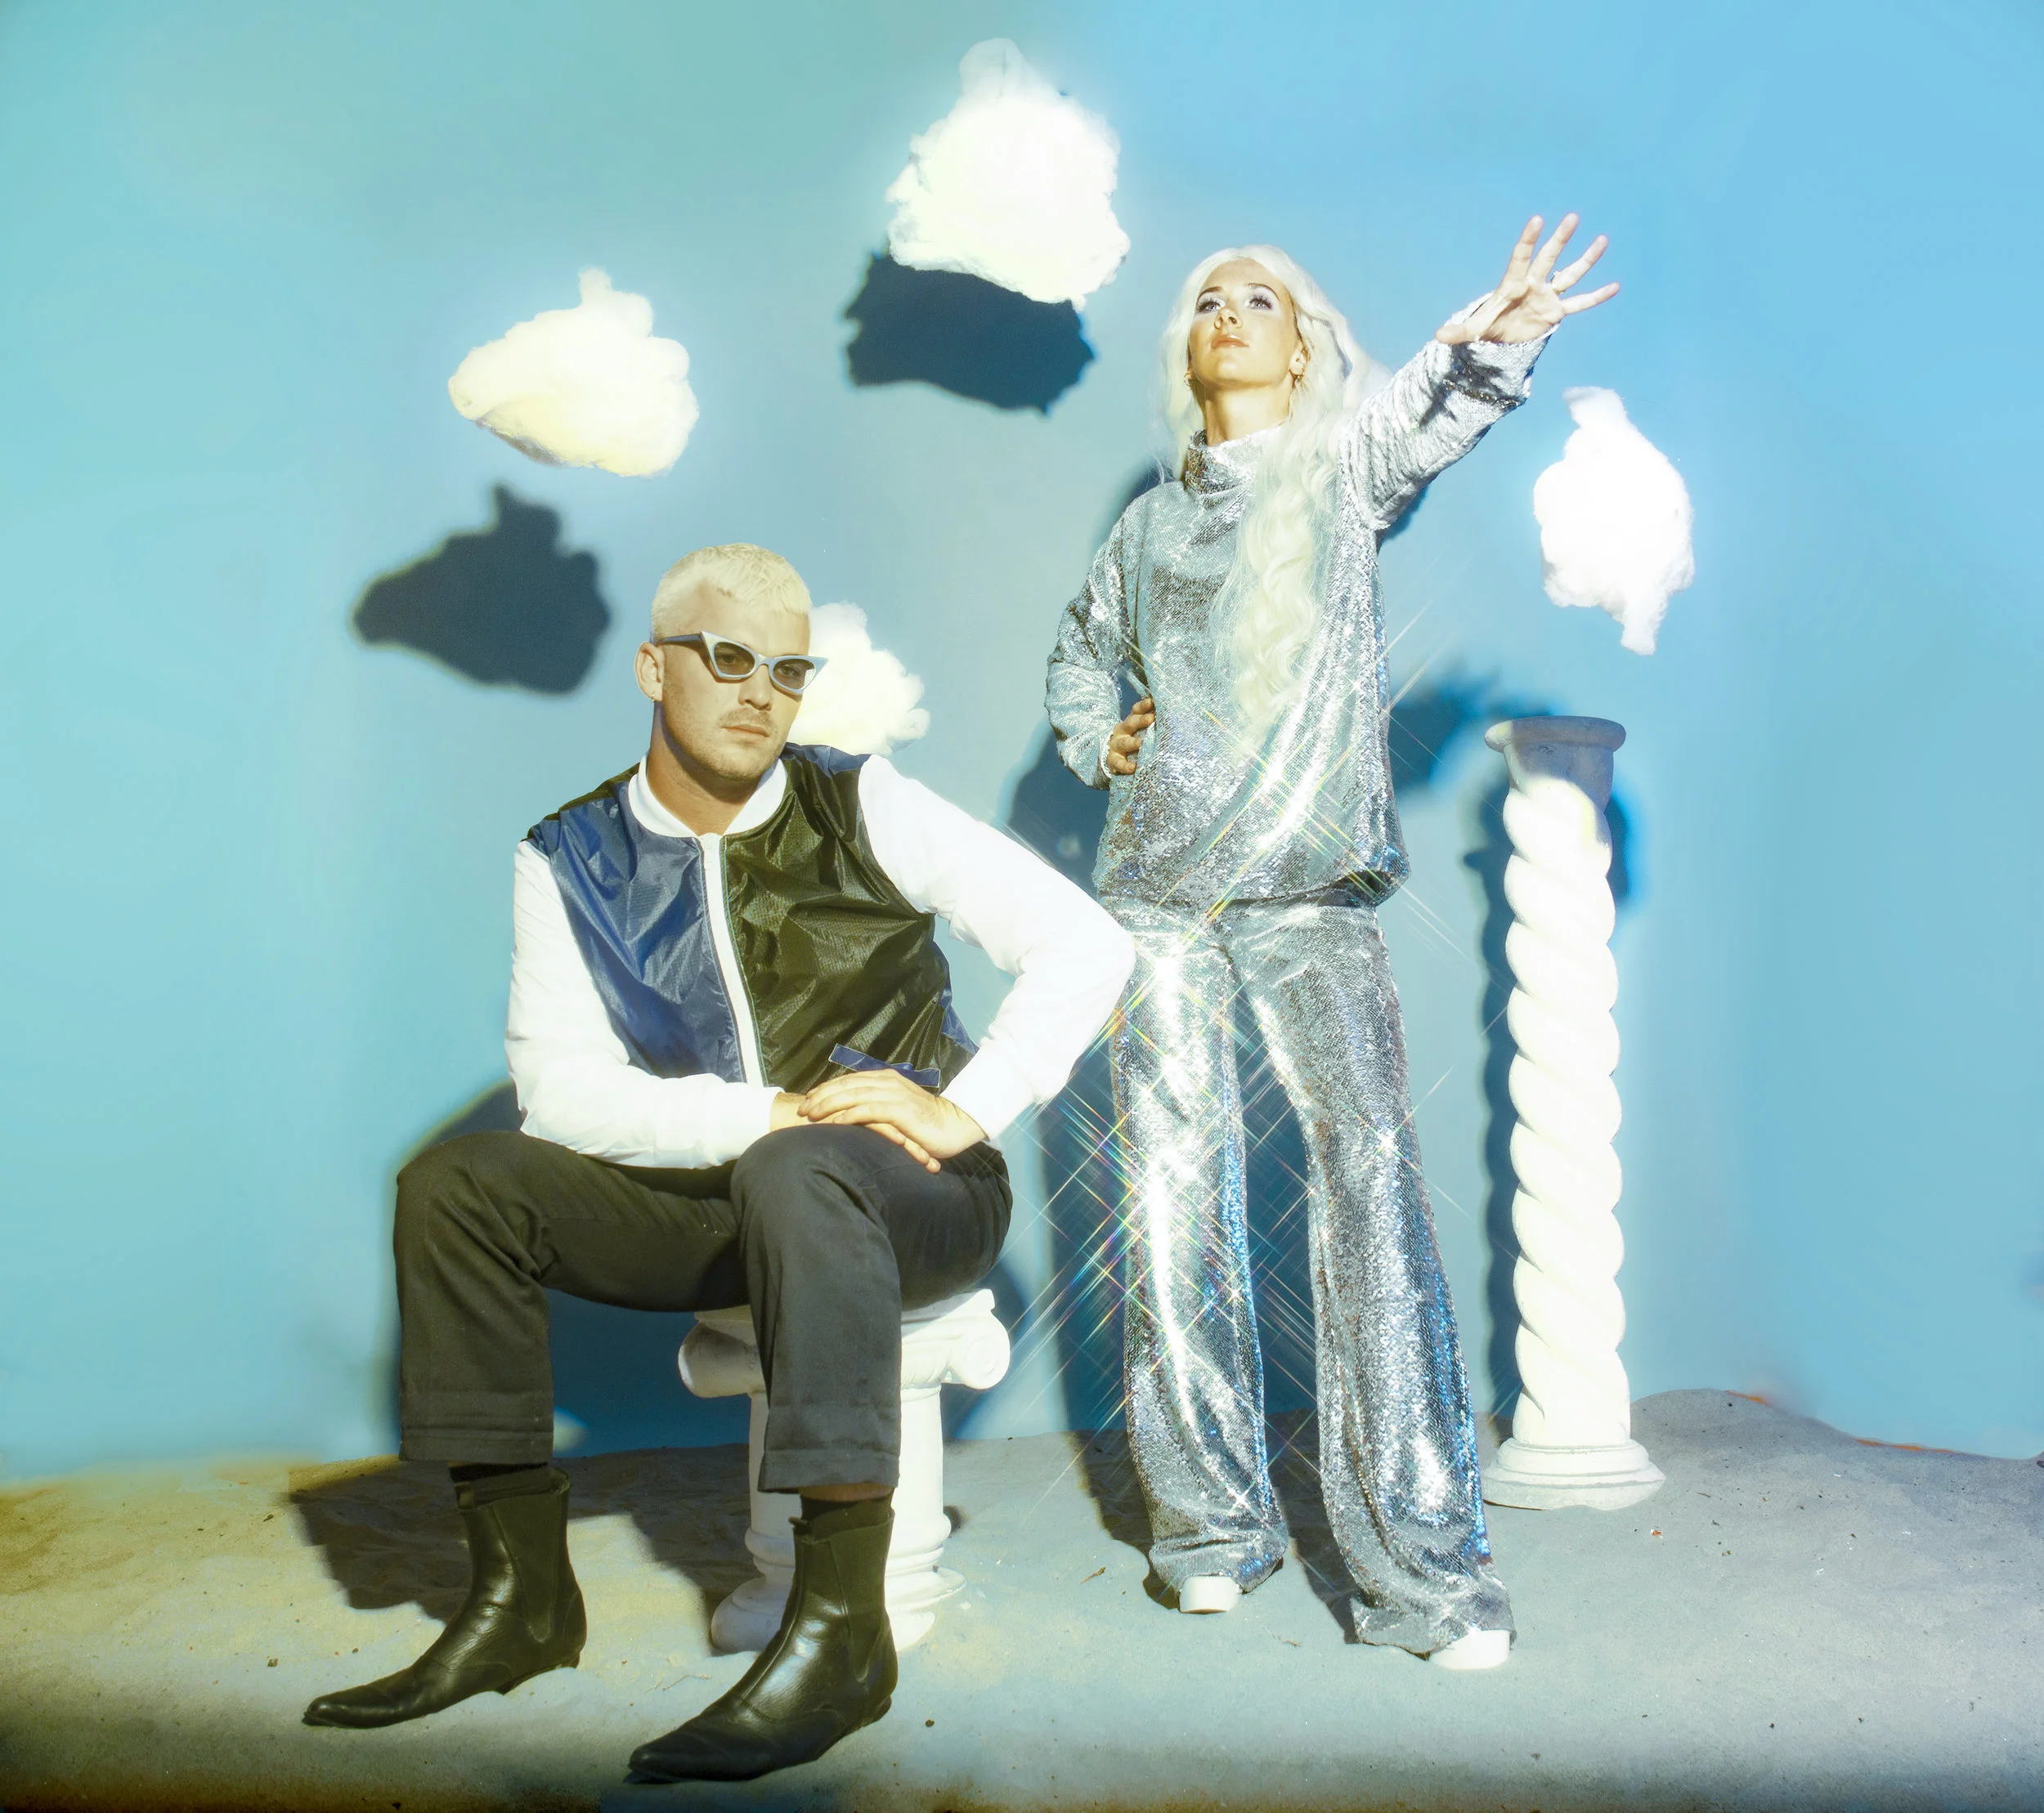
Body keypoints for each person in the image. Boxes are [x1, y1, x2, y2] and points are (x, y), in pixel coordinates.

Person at [306, 542, 1133, 1781]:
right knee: (457, 1186)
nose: (761, 692)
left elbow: (1087, 943)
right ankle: (522, 1600)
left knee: (801, 1174)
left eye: (789, 670)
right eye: (730, 658)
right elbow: (560, 1093)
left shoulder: (860, 802)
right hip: (730, 1191)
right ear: (655, 667)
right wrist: (768, 1115)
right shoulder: (569, 855)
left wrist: (966, 1108)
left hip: (911, 1193)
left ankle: (843, 1635)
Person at [1045, 217, 1616, 1668]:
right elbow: (1081, 652)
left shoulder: (1340, 472)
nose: (1230, 314)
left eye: (1262, 299)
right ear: (1189, 349)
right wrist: (1100, 738)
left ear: (1304, 348)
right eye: (1208, 301)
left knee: (1368, 1193)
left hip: (1312, 893)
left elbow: (1425, 414)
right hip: (1159, 899)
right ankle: (1207, 1529)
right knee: (1170, 1203)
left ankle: (1425, 1573)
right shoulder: (1147, 527)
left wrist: (1496, 340)